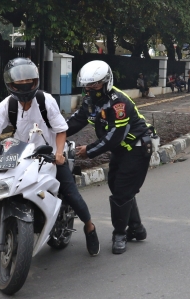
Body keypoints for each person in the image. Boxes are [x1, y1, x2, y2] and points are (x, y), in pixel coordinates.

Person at [0, 58, 100, 259]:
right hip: (19, 157)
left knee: (71, 193)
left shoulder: (45, 101)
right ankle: (6, 233)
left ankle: (89, 227)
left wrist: (59, 153)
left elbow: (61, 130)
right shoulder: (7, 105)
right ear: (11, 84)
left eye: (29, 81)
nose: (25, 85)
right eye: (20, 82)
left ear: (35, 81)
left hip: (48, 156)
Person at [67, 60, 155, 254]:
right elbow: (76, 121)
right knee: (116, 186)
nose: (90, 89)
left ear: (106, 82)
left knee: (121, 191)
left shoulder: (118, 102)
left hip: (137, 148)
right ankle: (137, 229)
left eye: (95, 84)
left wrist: (89, 150)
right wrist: (53, 133)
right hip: (121, 150)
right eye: (87, 85)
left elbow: (115, 136)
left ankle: (119, 234)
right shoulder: (90, 101)